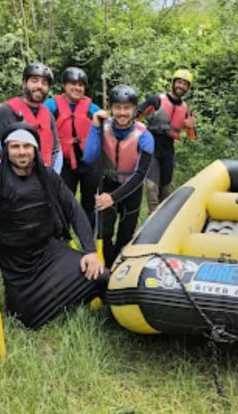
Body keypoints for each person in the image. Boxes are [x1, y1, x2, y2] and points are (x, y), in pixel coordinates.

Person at [0, 122, 108, 330]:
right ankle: (55, 300)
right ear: (6, 149)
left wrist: (89, 250)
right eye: (15, 147)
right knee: (25, 323)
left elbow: (74, 210)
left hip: (50, 254)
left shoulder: (47, 175)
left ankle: (114, 316)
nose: (21, 152)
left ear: (35, 149)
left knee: (102, 276)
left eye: (27, 146)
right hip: (17, 267)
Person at [83, 85, 154, 268]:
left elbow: (140, 175)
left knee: (125, 234)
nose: (122, 113)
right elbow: (90, 157)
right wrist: (95, 127)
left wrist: (112, 198)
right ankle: (105, 268)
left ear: (134, 109)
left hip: (131, 190)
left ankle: (119, 267)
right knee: (105, 233)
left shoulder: (145, 136)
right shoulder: (103, 127)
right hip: (107, 184)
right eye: (117, 107)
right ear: (111, 108)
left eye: (127, 108)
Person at [44, 67, 101, 227]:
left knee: (89, 204)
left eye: (81, 85)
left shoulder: (93, 109)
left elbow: (107, 133)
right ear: (64, 85)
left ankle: (88, 238)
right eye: (73, 84)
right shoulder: (51, 106)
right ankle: (64, 237)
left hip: (89, 164)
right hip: (65, 164)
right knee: (63, 202)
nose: (77, 88)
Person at [135, 69, 197, 214]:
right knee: (151, 187)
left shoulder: (186, 108)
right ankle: (152, 220)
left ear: (188, 88)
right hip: (152, 148)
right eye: (179, 82)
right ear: (173, 83)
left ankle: (162, 222)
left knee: (165, 190)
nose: (181, 86)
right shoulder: (157, 100)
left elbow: (192, 137)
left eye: (185, 84)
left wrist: (190, 127)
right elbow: (135, 117)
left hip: (168, 150)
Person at [0, 62, 62, 173]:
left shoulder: (49, 115)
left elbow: (56, 151)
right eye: (34, 81)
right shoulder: (6, 110)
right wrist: (18, 145)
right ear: (24, 83)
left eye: (44, 83)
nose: (39, 86)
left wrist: (54, 177)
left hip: (41, 179)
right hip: (10, 178)